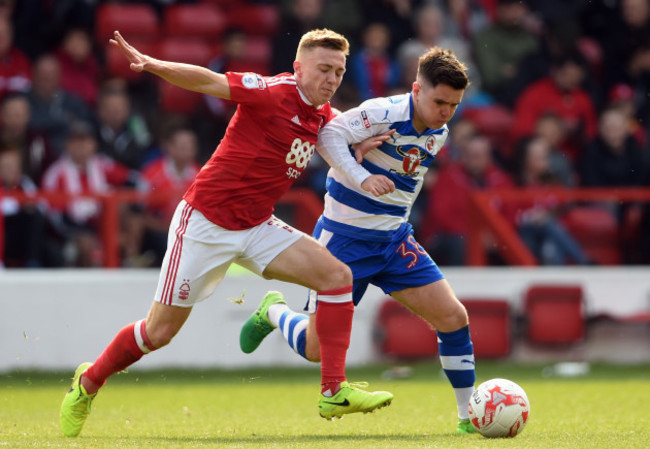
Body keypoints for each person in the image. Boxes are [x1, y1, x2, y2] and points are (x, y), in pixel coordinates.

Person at [59, 28, 393, 438]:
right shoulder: (271, 93)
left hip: (255, 225)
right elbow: (206, 80)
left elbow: (342, 138)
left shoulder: (324, 117)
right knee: (157, 333)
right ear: (298, 67)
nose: (331, 79)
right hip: (205, 224)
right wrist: (152, 63)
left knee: (337, 277)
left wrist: (369, 144)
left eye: (339, 72)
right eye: (323, 69)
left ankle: (333, 390)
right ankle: (88, 381)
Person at [239, 47, 478, 434]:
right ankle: (273, 311)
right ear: (416, 89)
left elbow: (403, 175)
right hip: (344, 243)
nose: (446, 112)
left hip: (394, 242)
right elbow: (328, 134)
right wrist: (359, 174)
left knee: (454, 318)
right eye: (439, 102)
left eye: (454, 105)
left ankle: (470, 417)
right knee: (315, 351)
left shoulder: (440, 130)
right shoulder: (383, 112)